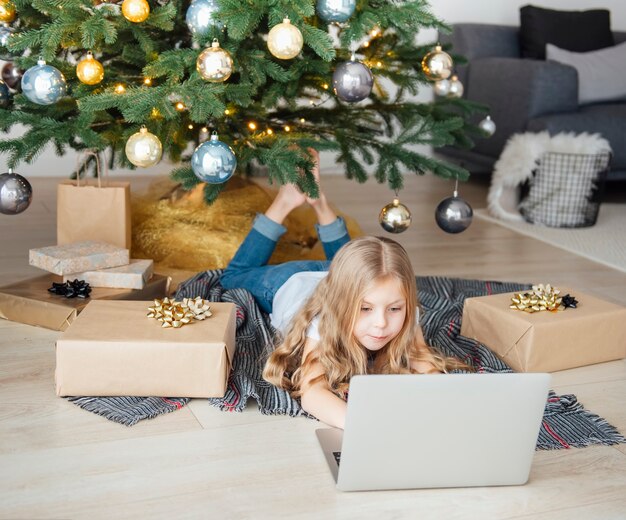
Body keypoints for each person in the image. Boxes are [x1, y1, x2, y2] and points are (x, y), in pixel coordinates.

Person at [220, 149, 469, 429]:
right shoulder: (321, 322)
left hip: (341, 272)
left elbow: (423, 360)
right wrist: (369, 427)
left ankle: (319, 201)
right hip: (291, 280)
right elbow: (313, 393)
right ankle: (286, 200)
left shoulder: (403, 309)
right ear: (342, 306)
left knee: (352, 260)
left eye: (395, 308)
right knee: (231, 277)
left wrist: (447, 399)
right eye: (365, 309)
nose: (382, 324)